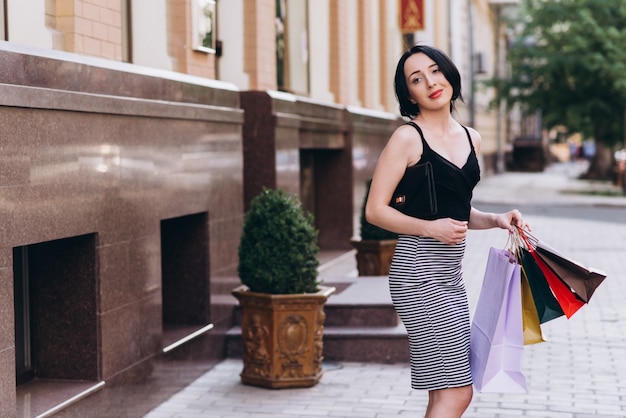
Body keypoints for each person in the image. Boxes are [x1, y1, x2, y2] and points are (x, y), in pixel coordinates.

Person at [365, 44, 529, 418]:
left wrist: (497, 219)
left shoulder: (473, 138)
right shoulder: (407, 138)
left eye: (436, 71)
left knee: (444, 392)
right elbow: (375, 210)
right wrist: (429, 228)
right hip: (417, 273)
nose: (431, 82)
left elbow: (456, 212)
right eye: (417, 79)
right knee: (458, 393)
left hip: (450, 277)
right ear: (410, 94)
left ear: (450, 74)